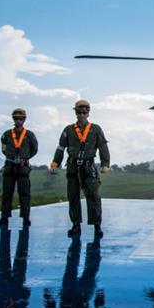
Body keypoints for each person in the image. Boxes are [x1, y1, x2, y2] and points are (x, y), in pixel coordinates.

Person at [50, 100, 110, 238]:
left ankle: (97, 226)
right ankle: (75, 224)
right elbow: (60, 148)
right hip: (72, 167)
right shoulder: (68, 130)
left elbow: (103, 147)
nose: (82, 115)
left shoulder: (95, 129)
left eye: (84, 112)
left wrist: (105, 163)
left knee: (93, 196)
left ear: (88, 113)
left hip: (89, 167)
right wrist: (55, 162)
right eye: (79, 112)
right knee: (73, 197)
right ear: (75, 113)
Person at [0, 108, 38, 228]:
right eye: (16, 118)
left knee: (24, 193)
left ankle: (26, 217)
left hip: (23, 167)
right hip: (9, 166)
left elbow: (34, 149)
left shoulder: (29, 135)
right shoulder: (7, 134)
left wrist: (26, 158)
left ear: (24, 120)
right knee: (7, 193)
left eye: (20, 118)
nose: (18, 121)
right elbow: (3, 149)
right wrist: (11, 156)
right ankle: (4, 217)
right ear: (13, 119)